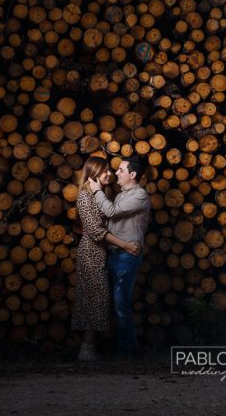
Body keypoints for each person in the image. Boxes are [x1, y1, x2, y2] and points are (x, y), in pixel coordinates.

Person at [71, 155, 140, 362]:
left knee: (99, 300)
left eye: (109, 170)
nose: (109, 173)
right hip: (91, 252)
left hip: (102, 253)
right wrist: (126, 244)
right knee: (95, 300)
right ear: (93, 173)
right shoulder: (85, 196)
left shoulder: (104, 194)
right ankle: (86, 349)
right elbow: (95, 231)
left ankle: (92, 348)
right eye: (104, 171)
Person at [88, 155, 151, 357]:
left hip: (127, 256)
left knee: (121, 304)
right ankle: (121, 348)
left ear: (132, 174)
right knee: (115, 303)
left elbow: (112, 212)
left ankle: (127, 352)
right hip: (115, 254)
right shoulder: (122, 194)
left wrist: (97, 191)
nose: (116, 172)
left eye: (121, 170)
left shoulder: (139, 195)